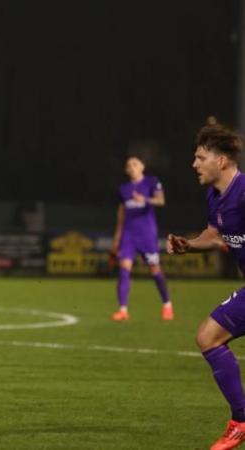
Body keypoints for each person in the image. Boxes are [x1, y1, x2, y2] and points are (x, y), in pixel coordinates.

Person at [167, 122, 245, 450]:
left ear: (221, 161)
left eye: (201, 157)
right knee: (208, 337)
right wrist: (189, 245)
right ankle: (240, 421)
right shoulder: (215, 197)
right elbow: (215, 235)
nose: (194, 164)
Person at [110, 155, 173, 321]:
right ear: (126, 170)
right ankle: (123, 310)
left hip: (147, 234)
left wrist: (144, 199)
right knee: (124, 271)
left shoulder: (151, 182)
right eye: (128, 165)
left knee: (155, 270)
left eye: (135, 164)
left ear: (142, 166)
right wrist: (117, 238)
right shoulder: (123, 189)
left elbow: (161, 200)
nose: (132, 167)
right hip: (128, 235)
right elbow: (121, 213)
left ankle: (167, 304)